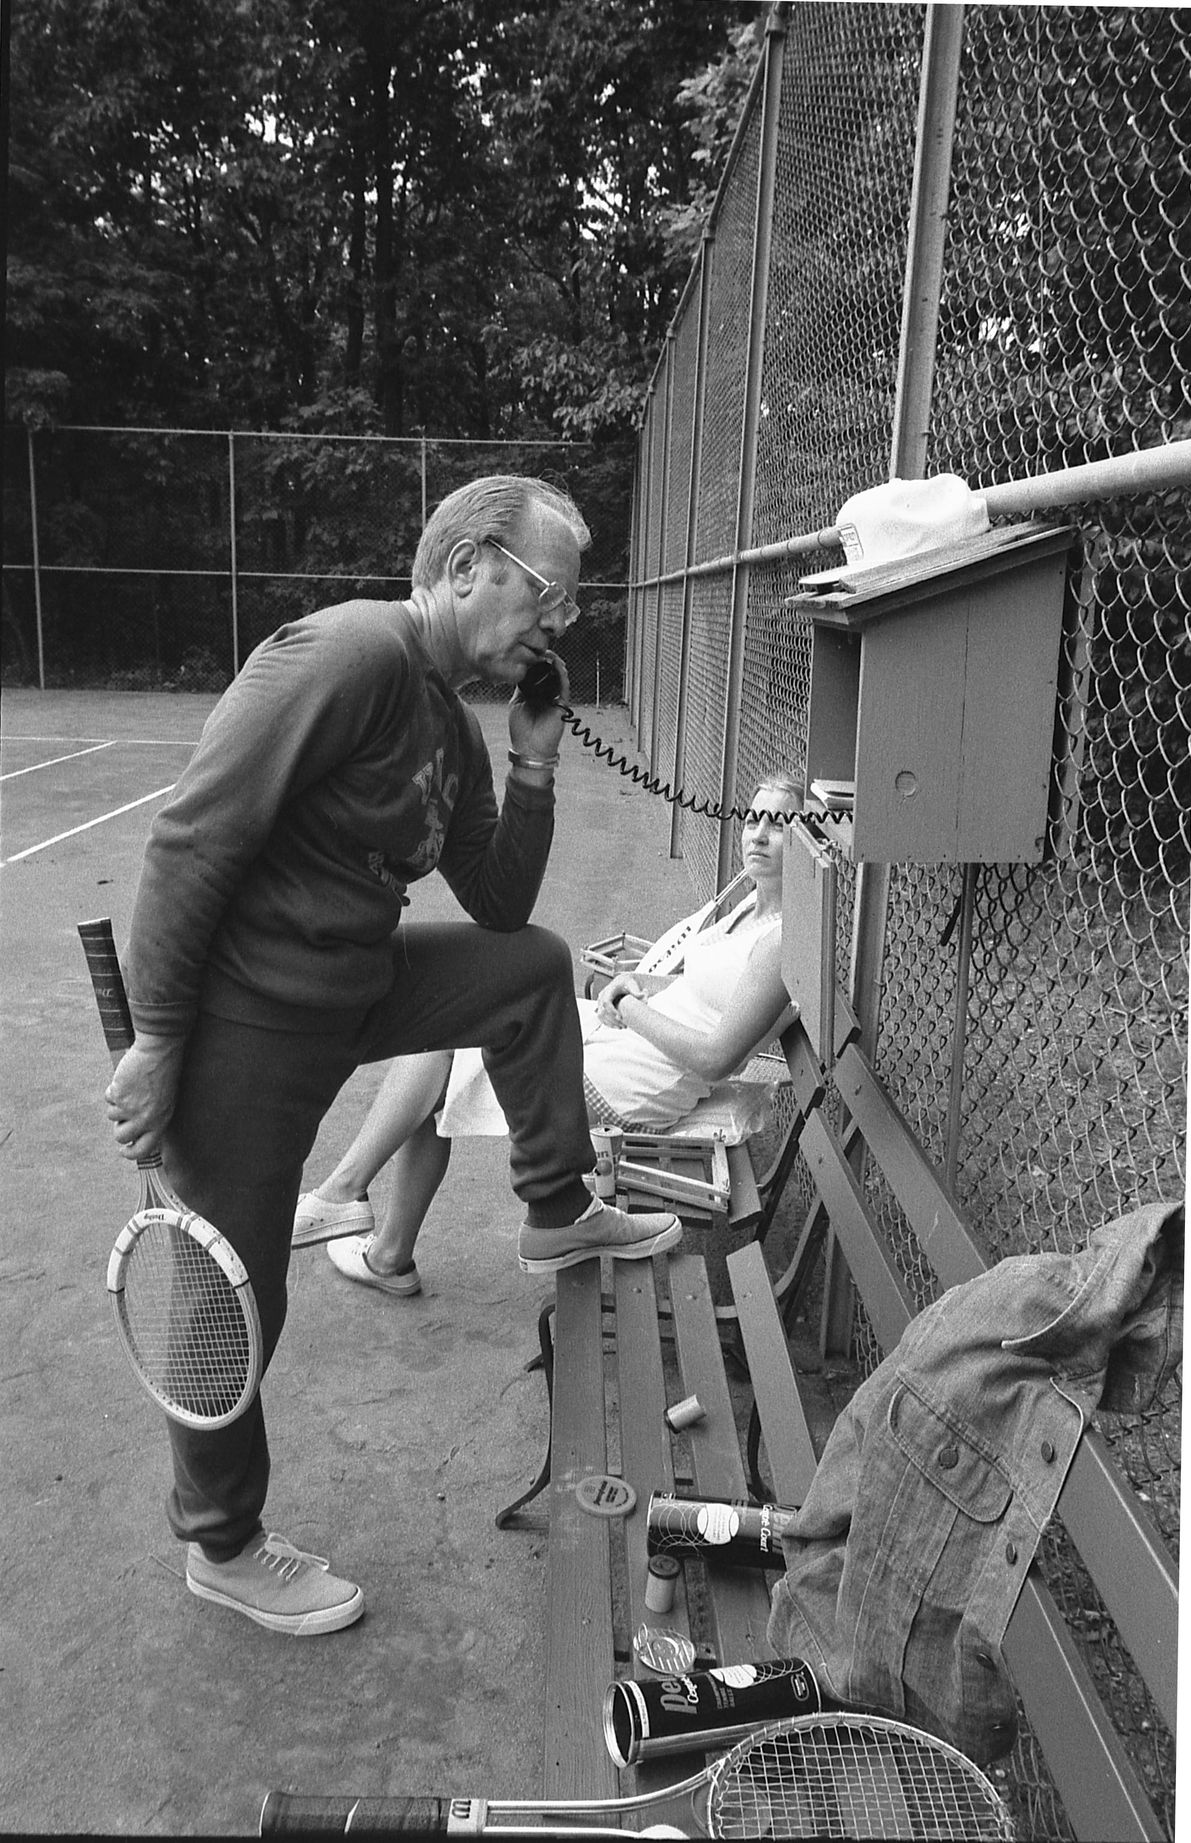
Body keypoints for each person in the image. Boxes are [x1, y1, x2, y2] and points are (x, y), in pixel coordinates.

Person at [101, 473, 683, 1639]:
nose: (553, 626)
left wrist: (529, 764)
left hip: (354, 984)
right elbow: (193, 834)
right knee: (231, 1284)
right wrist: (161, 1037)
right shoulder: (353, 655)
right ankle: (223, 1545)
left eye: (565, 610)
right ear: (467, 564)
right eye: (545, 595)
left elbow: (505, 905)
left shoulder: (452, 728)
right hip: (251, 1022)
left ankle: (557, 1206)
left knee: (528, 974)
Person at [295, 773, 806, 1294]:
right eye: (752, 819)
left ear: (809, 840)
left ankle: (353, 1207)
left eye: (780, 825)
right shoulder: (748, 903)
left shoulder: (782, 941)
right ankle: (383, 1247)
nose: (759, 834)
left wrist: (630, 1008)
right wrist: (641, 983)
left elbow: (717, 1056)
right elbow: (697, 985)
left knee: (448, 1046)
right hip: (622, 1039)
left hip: (635, 1082)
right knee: (450, 1044)